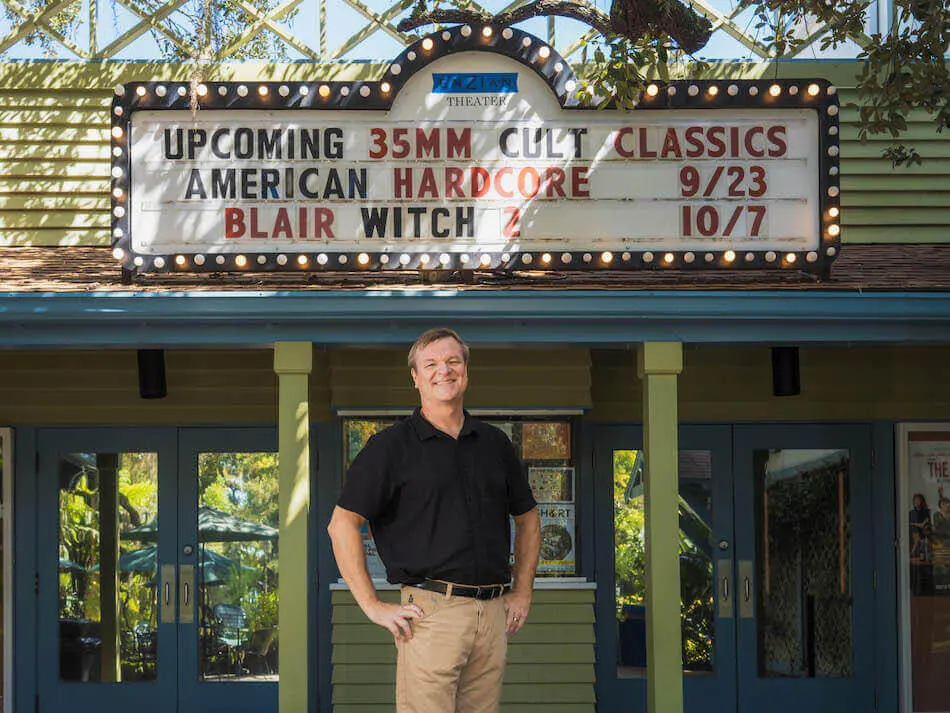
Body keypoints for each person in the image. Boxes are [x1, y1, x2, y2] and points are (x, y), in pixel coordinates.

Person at [327, 327, 541, 713]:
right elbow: (341, 524)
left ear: (466, 371)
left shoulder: (495, 444)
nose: (444, 370)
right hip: (431, 612)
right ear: (415, 377)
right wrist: (372, 605)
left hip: (493, 614)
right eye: (431, 364)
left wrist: (523, 590)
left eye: (453, 361)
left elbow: (528, 518)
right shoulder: (390, 447)